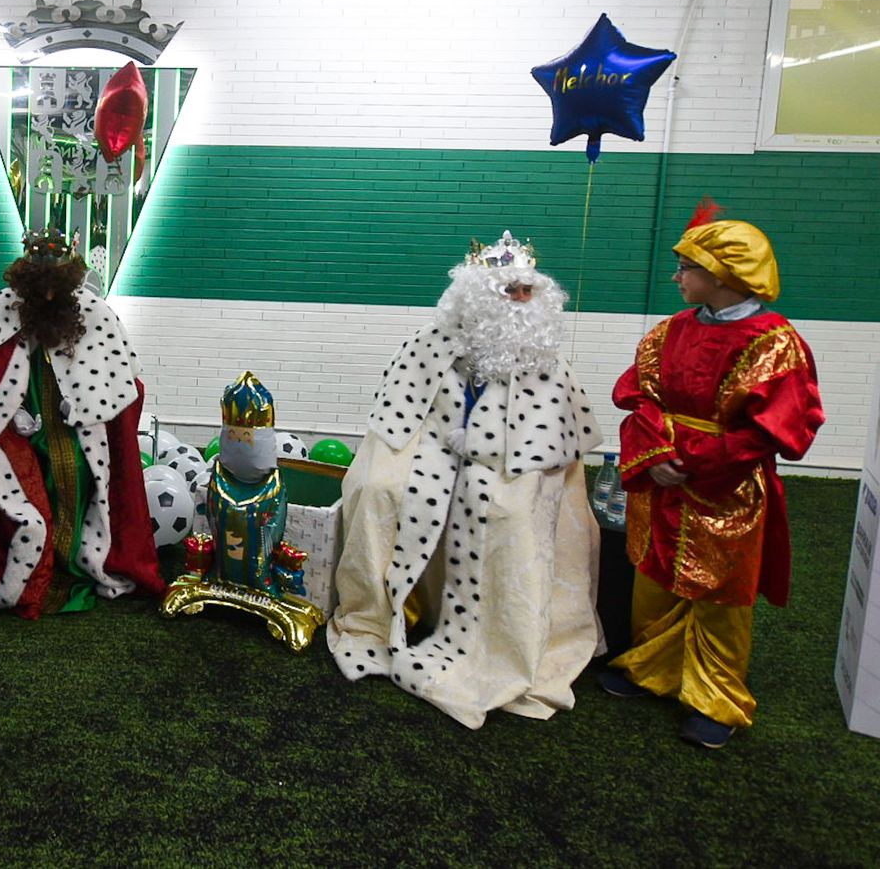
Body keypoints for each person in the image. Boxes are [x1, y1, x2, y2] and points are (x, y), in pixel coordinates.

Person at [327, 231, 604, 729]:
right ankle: (375, 616)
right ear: (477, 296)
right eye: (511, 291)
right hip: (430, 445)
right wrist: (438, 447)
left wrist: (480, 449)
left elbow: (547, 439)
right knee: (378, 488)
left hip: (512, 464)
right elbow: (402, 412)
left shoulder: (543, 356)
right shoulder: (431, 341)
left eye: (529, 291)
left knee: (505, 510)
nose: (523, 301)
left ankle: (496, 639)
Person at [600, 203, 823, 749]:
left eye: (686, 268)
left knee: (721, 593)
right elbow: (638, 395)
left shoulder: (773, 340)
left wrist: (694, 463)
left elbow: (779, 426)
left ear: (722, 274)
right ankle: (650, 667)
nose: (676, 277)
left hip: (727, 489)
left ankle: (715, 697)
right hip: (664, 483)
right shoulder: (671, 330)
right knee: (653, 575)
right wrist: (655, 454)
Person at [0, 228, 163, 624]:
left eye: (56, 288)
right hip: (17, 428)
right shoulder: (4, 308)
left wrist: (87, 405)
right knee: (23, 493)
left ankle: (69, 567)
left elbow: (123, 379)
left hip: (76, 428)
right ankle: (32, 571)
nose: (49, 297)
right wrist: (11, 410)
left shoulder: (93, 311)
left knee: (74, 477)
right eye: (42, 288)